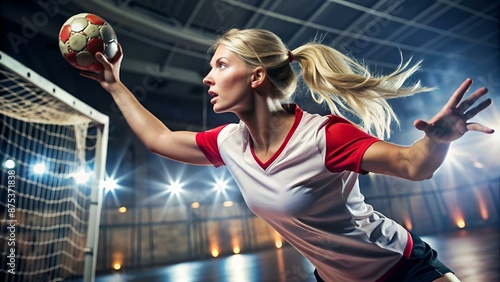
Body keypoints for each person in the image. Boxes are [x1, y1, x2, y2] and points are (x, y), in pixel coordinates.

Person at [81, 28, 493, 282]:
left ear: (257, 76)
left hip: (402, 268)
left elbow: (414, 165)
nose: (207, 76)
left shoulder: (324, 136)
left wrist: (438, 139)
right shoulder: (229, 143)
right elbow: (160, 139)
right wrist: (115, 85)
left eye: (221, 64)